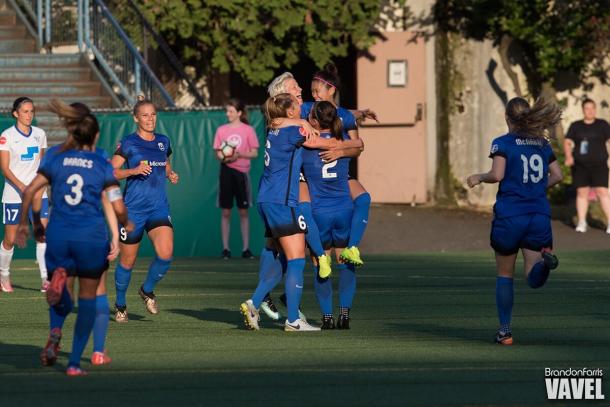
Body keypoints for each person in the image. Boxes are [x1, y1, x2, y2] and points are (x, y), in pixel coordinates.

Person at [15, 99, 131, 376]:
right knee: (89, 299)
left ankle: (55, 330)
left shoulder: (55, 156)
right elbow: (116, 204)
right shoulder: (102, 161)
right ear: (95, 135)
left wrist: (30, 225)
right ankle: (75, 363)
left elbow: (31, 191)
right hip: (90, 238)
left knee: (62, 294)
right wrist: (126, 222)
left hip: (58, 234)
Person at [466, 97, 563, 345]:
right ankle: (544, 265)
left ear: (507, 117)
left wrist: (478, 176)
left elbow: (497, 174)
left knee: (505, 274)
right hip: (538, 215)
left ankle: (505, 332)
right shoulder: (542, 143)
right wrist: (537, 187)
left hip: (510, 216)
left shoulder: (503, 143)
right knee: (533, 275)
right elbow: (558, 175)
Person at [111, 98, 179, 323]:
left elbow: (165, 162)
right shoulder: (128, 143)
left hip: (158, 207)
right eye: (145, 115)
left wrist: (170, 173)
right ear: (136, 118)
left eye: (153, 115)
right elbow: (111, 172)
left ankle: (147, 290)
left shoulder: (163, 141)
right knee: (127, 261)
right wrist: (133, 171)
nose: (150, 119)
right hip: (133, 211)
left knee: (166, 253)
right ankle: (120, 304)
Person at [303, 64, 371, 267]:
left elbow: (358, 148)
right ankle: (289, 287)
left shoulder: (345, 117)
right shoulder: (307, 109)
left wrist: (339, 151)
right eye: (312, 91)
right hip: (311, 176)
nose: (314, 95)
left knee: (364, 198)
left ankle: (352, 247)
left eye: (317, 91)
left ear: (331, 89)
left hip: (338, 175)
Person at [301, 101, 359, 329]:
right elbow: (359, 145)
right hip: (344, 209)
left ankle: (327, 317)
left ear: (314, 121)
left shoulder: (306, 145)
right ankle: (344, 315)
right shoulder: (344, 141)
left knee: (320, 263)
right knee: (344, 262)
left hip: (319, 212)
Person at [0, 97, 49, 292]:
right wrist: (22, 187)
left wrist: (41, 186)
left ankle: (46, 279)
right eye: (25, 111)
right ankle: (3, 275)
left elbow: (43, 163)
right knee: (10, 239)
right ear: (16, 113)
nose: (29, 115)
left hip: (38, 194)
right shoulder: (6, 136)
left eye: (32, 111)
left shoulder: (40, 134)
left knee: (42, 236)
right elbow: (5, 168)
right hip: (14, 194)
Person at [213, 98, 259, 260]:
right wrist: (225, 158)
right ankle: (226, 249)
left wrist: (239, 155)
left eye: (231, 111)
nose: (228, 114)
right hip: (226, 173)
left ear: (239, 113)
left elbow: (254, 153)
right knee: (225, 212)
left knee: (243, 212)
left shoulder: (248, 130)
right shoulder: (221, 130)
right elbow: (218, 152)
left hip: (242, 175)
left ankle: (246, 249)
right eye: (227, 111)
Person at [563, 98, 610, 233]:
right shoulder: (576, 126)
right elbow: (567, 142)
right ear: (583, 110)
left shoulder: (603, 124)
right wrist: (569, 156)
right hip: (580, 166)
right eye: (587, 108)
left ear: (595, 109)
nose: (590, 111)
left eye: (592, 108)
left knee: (603, 192)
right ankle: (582, 222)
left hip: (599, 165)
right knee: (581, 192)